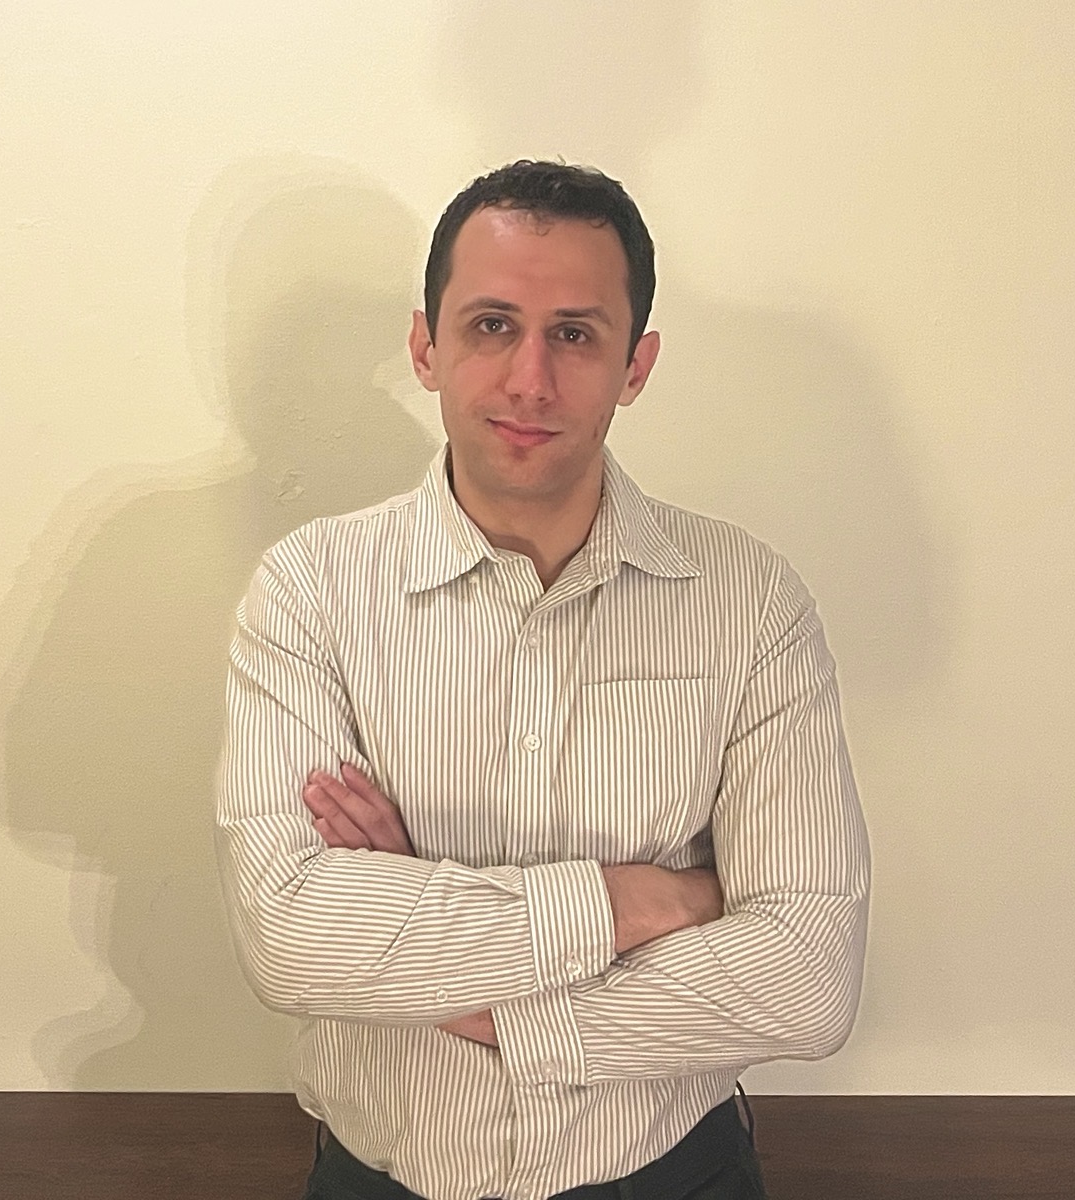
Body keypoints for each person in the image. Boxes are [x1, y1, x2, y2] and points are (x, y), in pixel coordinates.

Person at [216, 160, 871, 1200]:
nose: (530, 380)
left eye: (574, 334)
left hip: (675, 1177)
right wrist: (641, 901)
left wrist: (444, 974)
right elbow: (290, 938)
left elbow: (806, 980)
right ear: (425, 347)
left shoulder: (751, 602)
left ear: (634, 365)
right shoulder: (312, 592)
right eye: (490, 326)